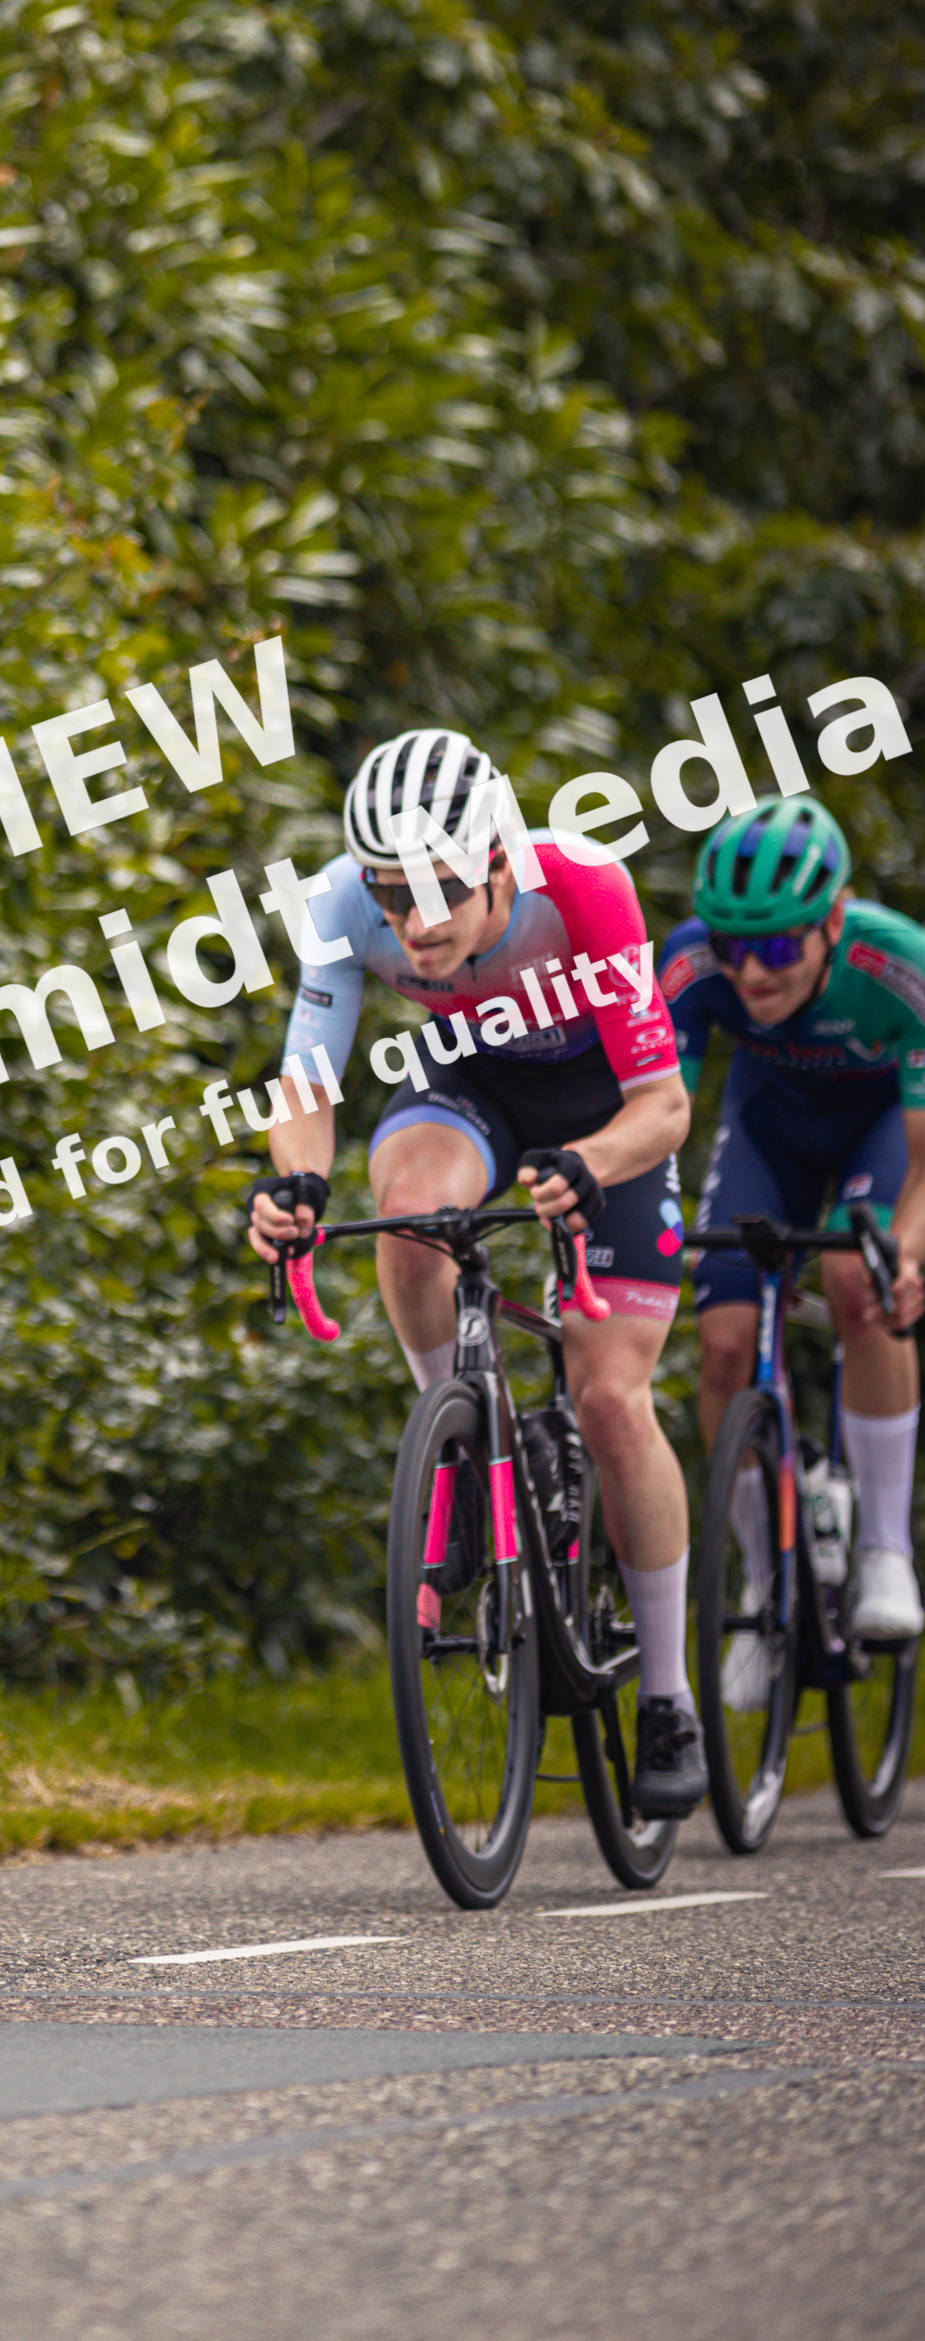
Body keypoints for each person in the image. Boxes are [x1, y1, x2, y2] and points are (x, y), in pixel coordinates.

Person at [245, 725, 705, 1815]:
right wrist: (294, 1189)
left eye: (444, 887)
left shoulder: (581, 887)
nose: (418, 923)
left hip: (605, 1116)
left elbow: (665, 1106)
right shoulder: (336, 907)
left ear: (500, 855)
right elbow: (305, 1090)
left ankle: (669, 1699)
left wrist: (590, 1166)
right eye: (391, 894)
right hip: (472, 1090)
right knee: (405, 1215)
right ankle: (455, 1439)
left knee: (607, 1397)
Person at [660, 796, 925, 1666]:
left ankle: (886, 1550)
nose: (751, 974)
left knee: (861, 1284)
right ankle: (763, 1584)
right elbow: (655, 1115)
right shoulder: (691, 965)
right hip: (770, 1128)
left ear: (835, 921)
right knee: (726, 1344)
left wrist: (909, 1252)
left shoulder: (899, 966)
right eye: (733, 947)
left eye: (776, 946)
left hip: (883, 1132)